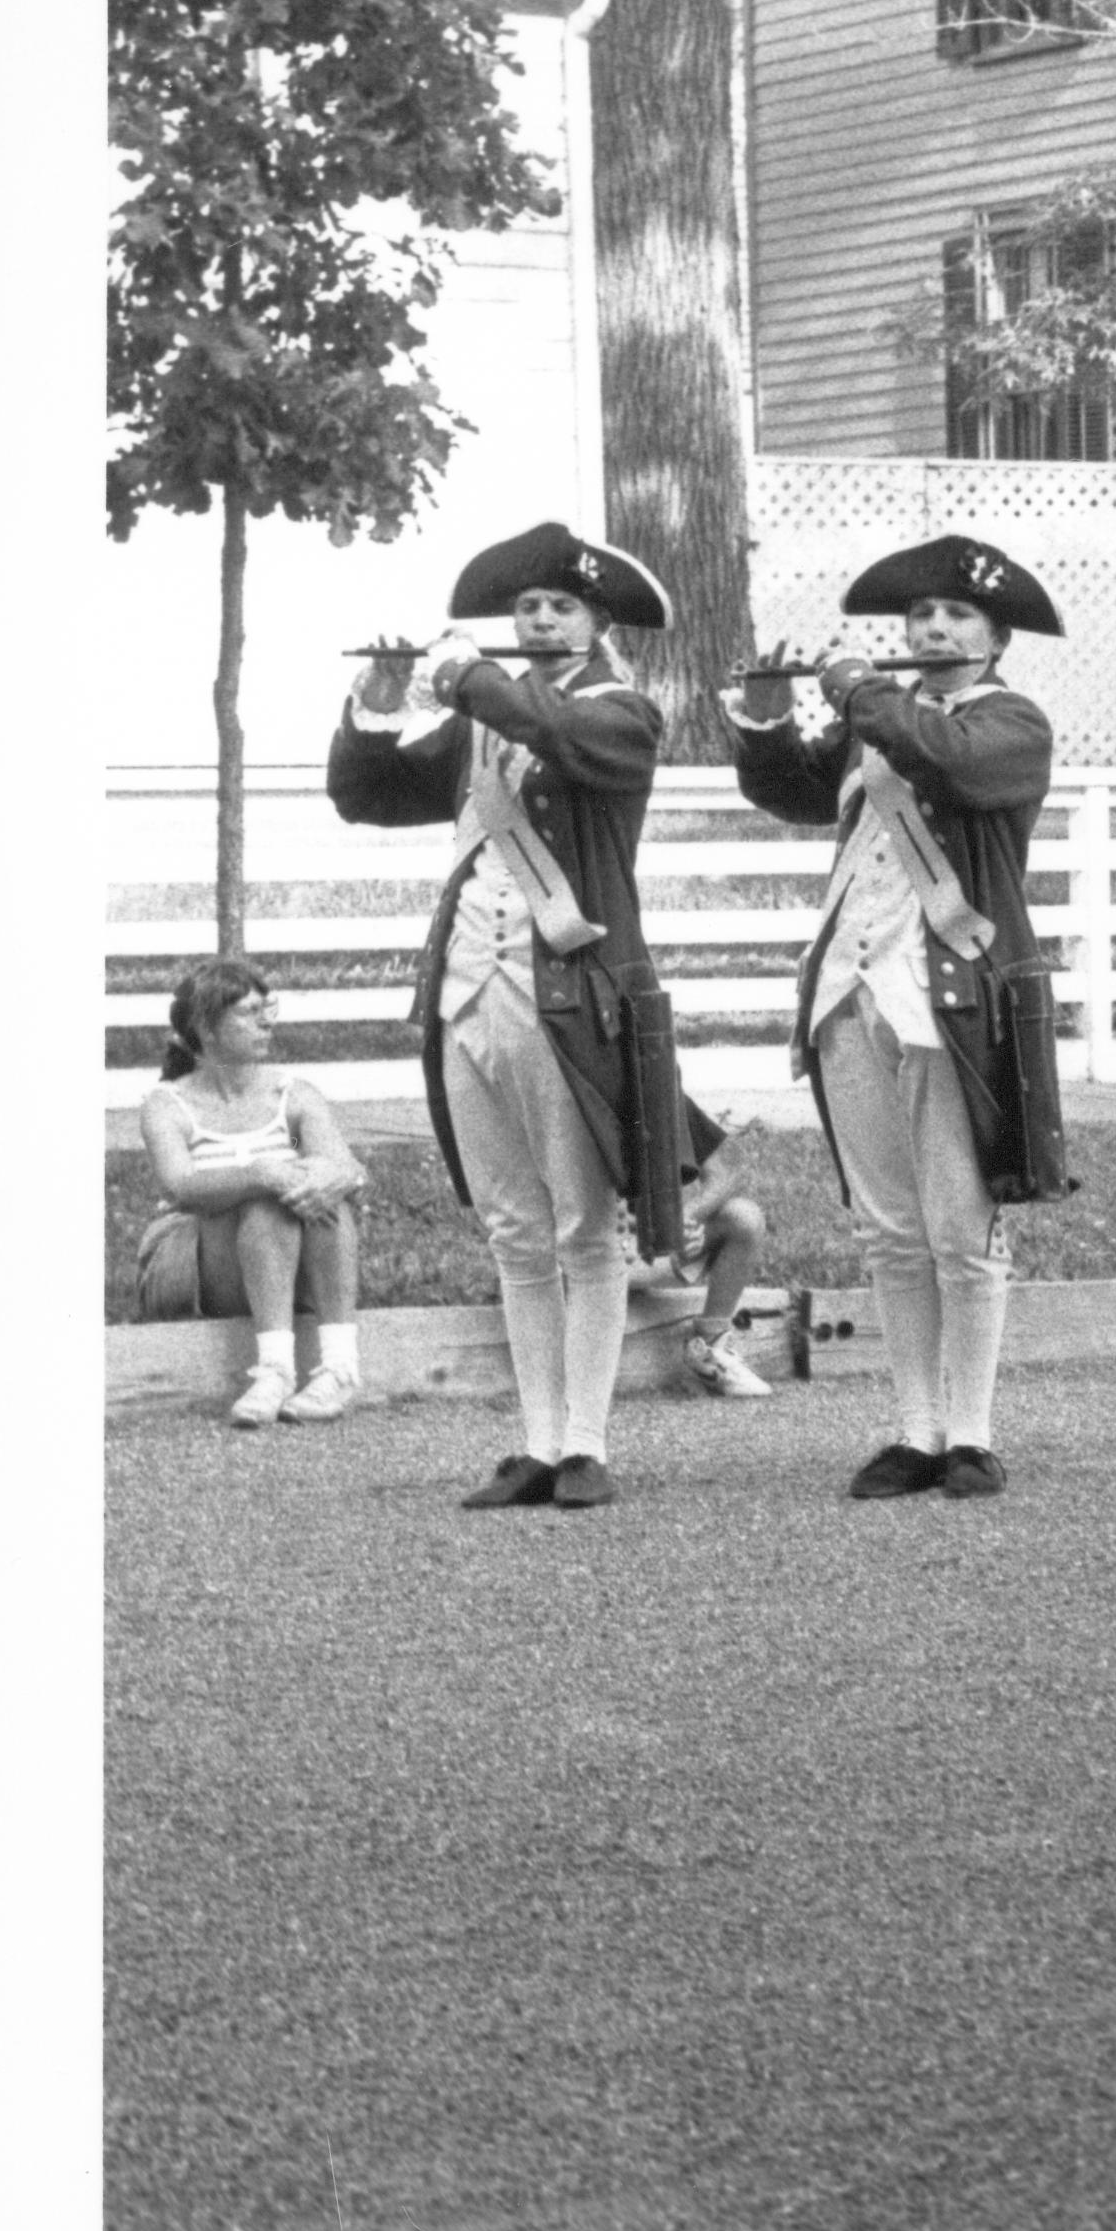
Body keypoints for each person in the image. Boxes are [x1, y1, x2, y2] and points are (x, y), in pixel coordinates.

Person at [331, 522, 688, 1511]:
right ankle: (534, 1441)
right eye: (526, 607)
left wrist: (467, 677)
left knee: (584, 1226)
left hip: (566, 997)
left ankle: (585, 1441)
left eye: (558, 607)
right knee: (513, 1230)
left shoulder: (622, 712)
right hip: (468, 989)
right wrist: (376, 702)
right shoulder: (487, 719)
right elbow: (369, 795)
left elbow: (563, 739)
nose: (536, 618)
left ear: (596, 623)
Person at [734, 534, 1070, 1501]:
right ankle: (915, 1429)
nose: (933, 628)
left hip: (953, 995)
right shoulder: (878, 718)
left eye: (957, 615)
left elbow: (948, 762)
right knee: (889, 1226)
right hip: (850, 983)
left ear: (996, 638)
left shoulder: (1012, 722)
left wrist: (855, 690)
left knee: (962, 1223)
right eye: (921, 616)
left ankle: (972, 1430)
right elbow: (792, 788)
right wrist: (763, 718)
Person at [133, 955, 368, 1423]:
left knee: (324, 1197)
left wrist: (334, 1176)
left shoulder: (290, 1096)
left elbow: (333, 1160)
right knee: (265, 1200)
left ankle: (339, 1369)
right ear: (207, 1028)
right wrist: (259, 1173)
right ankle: (274, 1371)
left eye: (267, 1009)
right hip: (197, 1267)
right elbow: (182, 1187)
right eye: (248, 1012)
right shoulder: (170, 1105)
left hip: (284, 1262)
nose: (266, 1022)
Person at [644, 1124, 776, 1400]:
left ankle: (710, 1350)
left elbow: (724, 1173)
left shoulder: (661, 1089)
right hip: (582, 1251)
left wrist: (680, 1222)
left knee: (744, 1219)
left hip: (643, 1250)